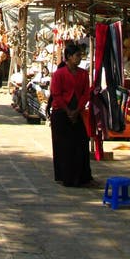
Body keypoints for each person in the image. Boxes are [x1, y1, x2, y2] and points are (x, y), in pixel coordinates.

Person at [49, 43, 94, 188]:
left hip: (77, 111)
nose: (80, 58)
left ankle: (82, 176)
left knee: (80, 143)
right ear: (69, 57)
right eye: (77, 55)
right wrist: (68, 111)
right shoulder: (59, 74)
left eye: (80, 55)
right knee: (63, 146)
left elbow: (85, 93)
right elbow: (56, 94)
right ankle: (65, 176)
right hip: (61, 112)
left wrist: (77, 110)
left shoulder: (83, 74)